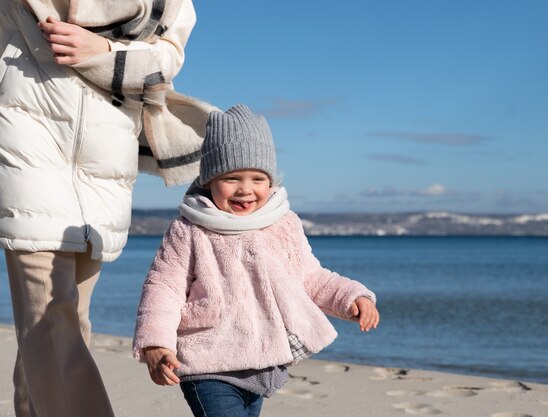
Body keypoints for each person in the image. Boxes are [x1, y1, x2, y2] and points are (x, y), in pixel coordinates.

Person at [0, 1, 214, 416]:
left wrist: (105, 52)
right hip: (28, 144)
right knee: (50, 320)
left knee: (67, 325)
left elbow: (169, 56)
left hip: (105, 160)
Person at [133, 104, 381, 417]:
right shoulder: (190, 228)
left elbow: (310, 277)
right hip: (206, 361)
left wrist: (352, 296)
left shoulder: (283, 222)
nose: (245, 190)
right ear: (210, 180)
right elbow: (163, 289)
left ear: (271, 181)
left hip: (260, 362)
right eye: (232, 178)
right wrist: (156, 344)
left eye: (257, 179)